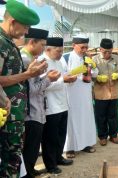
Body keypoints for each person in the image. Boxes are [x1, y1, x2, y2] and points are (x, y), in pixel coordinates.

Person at [0, 1, 48, 177]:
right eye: (26, 27)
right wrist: (28, 74)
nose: (27, 32)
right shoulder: (1, 42)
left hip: (12, 115)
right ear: (12, 21)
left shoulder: (8, 42)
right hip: (6, 118)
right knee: (9, 164)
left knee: (13, 163)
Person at [21, 28, 62, 178]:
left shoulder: (31, 58)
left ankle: (30, 169)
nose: (44, 49)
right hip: (31, 112)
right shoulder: (25, 60)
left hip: (37, 110)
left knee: (33, 146)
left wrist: (45, 76)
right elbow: (31, 90)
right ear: (32, 42)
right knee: (30, 147)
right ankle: (27, 172)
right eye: (42, 45)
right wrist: (48, 79)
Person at [41, 37, 76, 174]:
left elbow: (61, 78)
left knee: (61, 134)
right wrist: (63, 80)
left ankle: (58, 157)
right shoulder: (42, 62)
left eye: (62, 51)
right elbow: (43, 85)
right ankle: (50, 165)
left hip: (62, 104)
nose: (61, 54)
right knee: (50, 138)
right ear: (48, 49)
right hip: (50, 106)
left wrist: (68, 78)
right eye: (58, 51)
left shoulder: (59, 61)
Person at [61, 35, 97, 158]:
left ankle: (86, 144)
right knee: (71, 120)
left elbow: (95, 74)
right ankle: (70, 148)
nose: (84, 50)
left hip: (85, 94)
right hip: (71, 94)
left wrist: (93, 67)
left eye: (86, 47)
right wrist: (78, 70)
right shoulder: (65, 58)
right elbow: (62, 75)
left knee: (86, 118)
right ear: (74, 45)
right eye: (82, 47)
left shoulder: (87, 57)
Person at [92, 38, 118, 146]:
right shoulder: (94, 60)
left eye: (110, 52)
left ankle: (113, 135)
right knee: (101, 116)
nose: (107, 54)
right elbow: (90, 75)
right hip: (100, 92)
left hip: (113, 92)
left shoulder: (117, 58)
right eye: (105, 52)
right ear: (100, 49)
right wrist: (97, 78)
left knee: (113, 115)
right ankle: (102, 136)